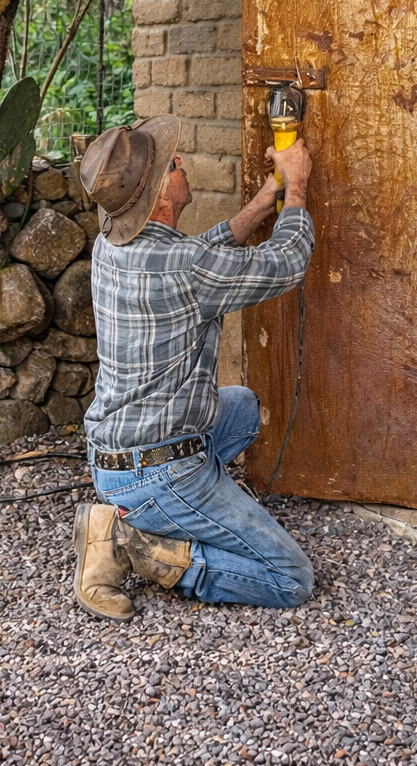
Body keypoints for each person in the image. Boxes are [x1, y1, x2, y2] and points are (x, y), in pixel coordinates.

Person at [72, 114, 315, 621]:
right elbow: (287, 262)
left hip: (113, 454)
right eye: (173, 164)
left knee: (243, 408)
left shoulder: (111, 245)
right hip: (156, 470)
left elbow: (194, 258)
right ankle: (136, 545)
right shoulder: (185, 268)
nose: (180, 163)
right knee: (291, 578)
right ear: (163, 191)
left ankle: (149, 512)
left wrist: (259, 203)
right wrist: (297, 187)